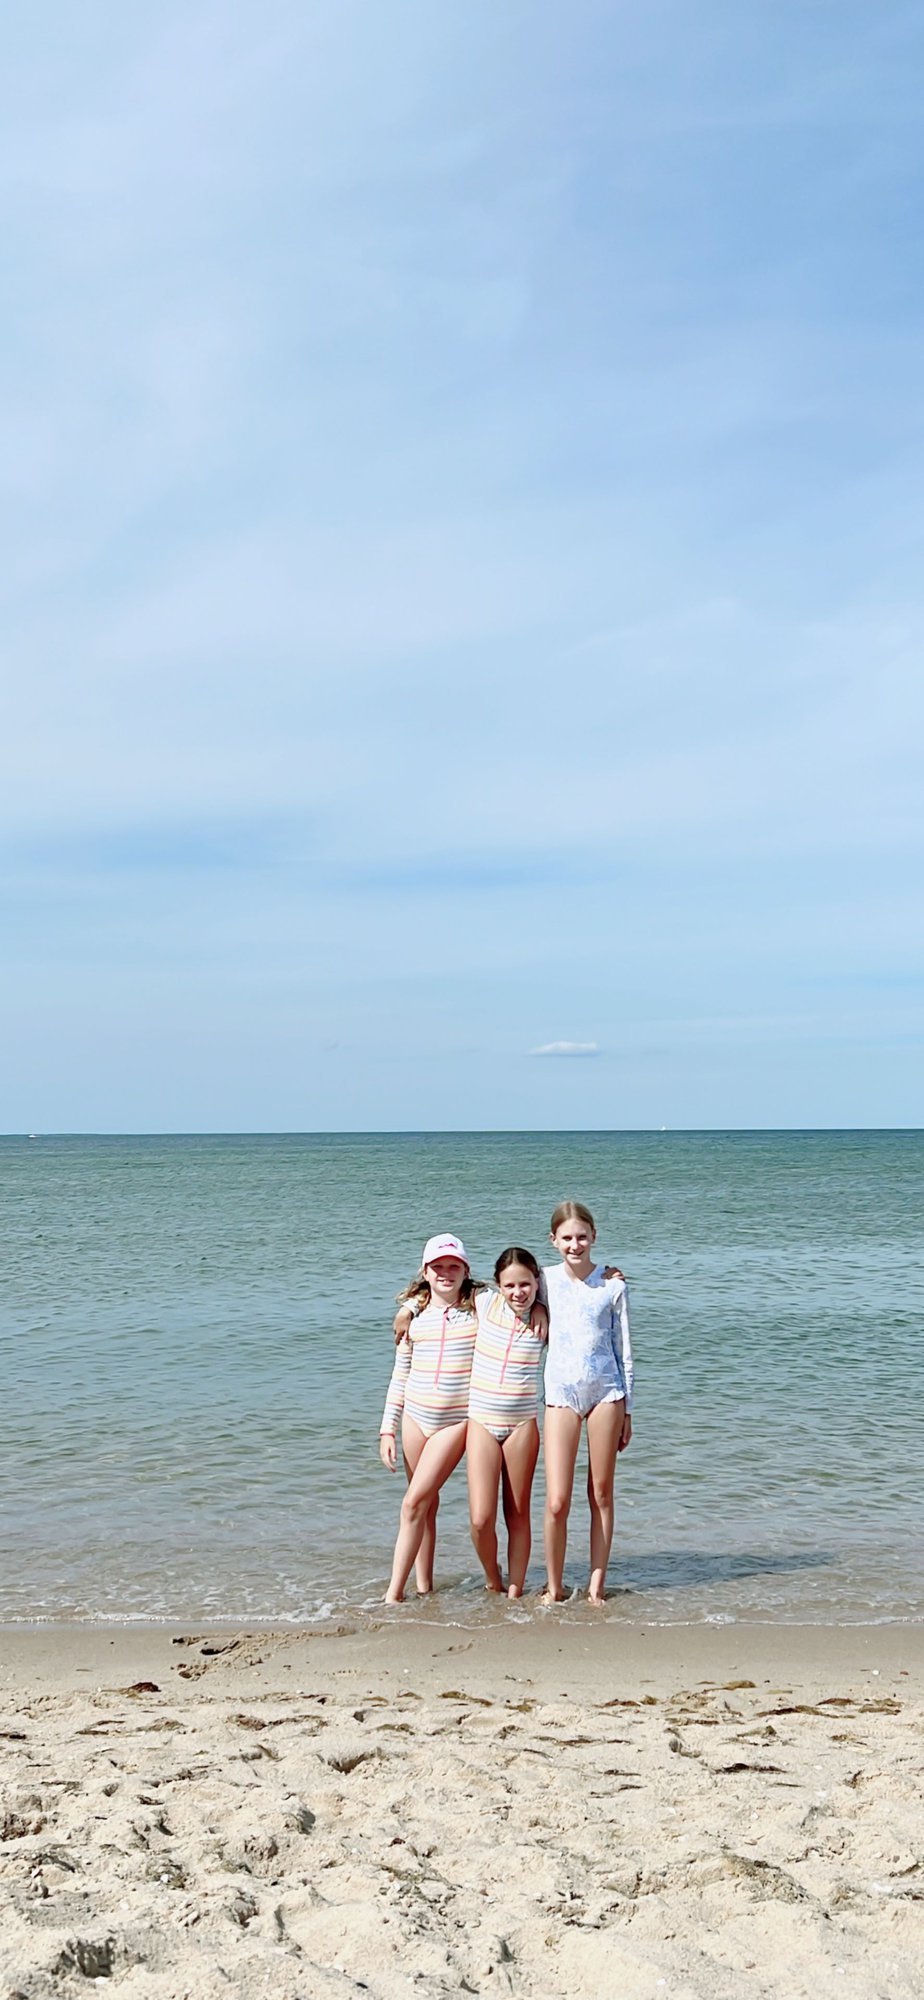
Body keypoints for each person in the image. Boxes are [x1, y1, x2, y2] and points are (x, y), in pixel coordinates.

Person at [379, 1234, 479, 1605]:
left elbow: (522, 1289)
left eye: (454, 1266)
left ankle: (393, 1595)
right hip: (414, 1420)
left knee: (412, 1503)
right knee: (426, 1505)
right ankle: (424, 1588)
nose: (446, 1273)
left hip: (455, 1423)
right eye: (438, 1267)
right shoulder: (413, 1320)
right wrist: (388, 1428)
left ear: (466, 1271)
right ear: (425, 1272)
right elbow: (399, 1376)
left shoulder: (480, 1311)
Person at [542, 1200, 633, 1606]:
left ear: (594, 1236)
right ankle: (555, 1586)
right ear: (553, 1240)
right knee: (557, 1500)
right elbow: (496, 1294)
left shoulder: (613, 1284)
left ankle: (597, 1586)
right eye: (566, 1238)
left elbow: (623, 1349)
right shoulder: (542, 1281)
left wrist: (628, 1408)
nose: (574, 1245)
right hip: (561, 1395)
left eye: (582, 1237)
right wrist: (411, 1306)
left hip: (607, 1395)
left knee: (600, 1493)